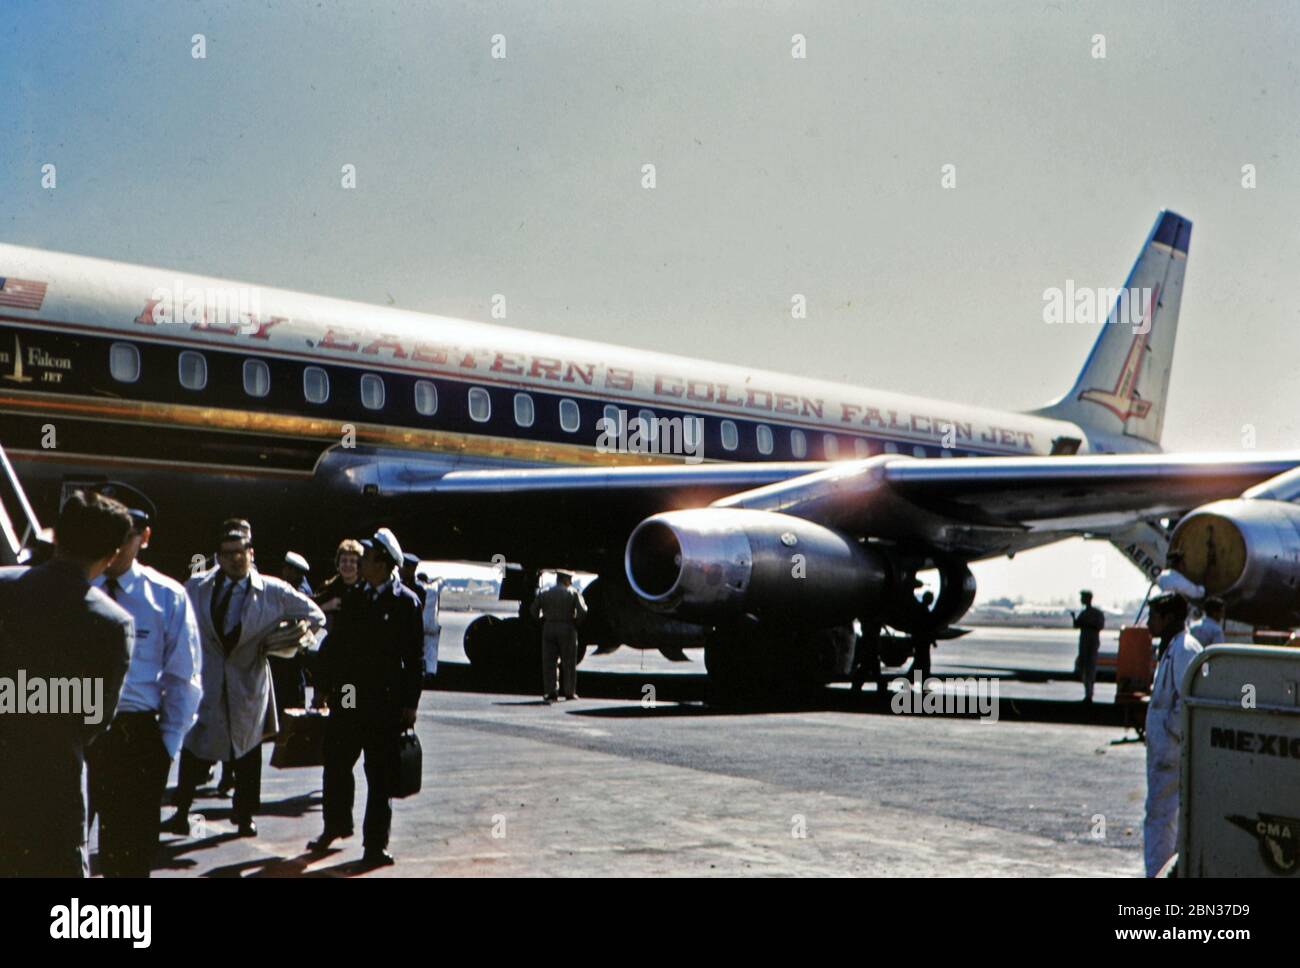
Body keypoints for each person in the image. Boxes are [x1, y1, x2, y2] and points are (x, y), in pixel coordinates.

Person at [0, 490, 134, 876]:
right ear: (111, 556)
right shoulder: (113, 623)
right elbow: (95, 722)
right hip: (53, 789)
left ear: (55, 536)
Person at [164, 523, 324, 838]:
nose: (237, 559)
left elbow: (315, 616)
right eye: (229, 554)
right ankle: (181, 811)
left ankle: (246, 814)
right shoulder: (198, 587)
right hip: (208, 682)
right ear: (218, 557)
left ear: (251, 553)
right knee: (195, 748)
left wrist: (283, 643)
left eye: (242, 552)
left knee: (247, 753)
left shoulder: (274, 591)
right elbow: (174, 622)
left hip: (248, 685)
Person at [86, 485, 202, 877]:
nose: (117, 545)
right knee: (62, 851)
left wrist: (165, 748)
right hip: (75, 729)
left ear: (145, 537)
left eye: (128, 534)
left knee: (130, 859)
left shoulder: (166, 597)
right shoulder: (76, 590)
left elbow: (183, 679)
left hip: (135, 738)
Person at [309, 528, 423, 866]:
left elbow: (414, 659)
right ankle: (335, 825)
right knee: (336, 760)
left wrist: (410, 703)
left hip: (383, 700)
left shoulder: (406, 603)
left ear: (384, 563)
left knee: (379, 773)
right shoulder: (355, 595)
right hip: (348, 693)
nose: (362, 562)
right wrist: (324, 686)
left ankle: (375, 845)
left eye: (369, 557)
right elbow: (336, 644)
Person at [1143, 592, 1202, 877]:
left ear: (1169, 618)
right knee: (1162, 819)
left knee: (1162, 820)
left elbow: (1190, 700)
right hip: (1164, 754)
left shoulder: (1185, 649)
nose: (1148, 623)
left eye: (1153, 617)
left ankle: (1158, 874)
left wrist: (1171, 731)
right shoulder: (1171, 648)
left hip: (1172, 754)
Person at [530, 571, 587, 702]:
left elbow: (533, 610)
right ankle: (569, 692)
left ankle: (551, 692)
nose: (571, 581)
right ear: (565, 579)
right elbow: (583, 611)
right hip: (567, 627)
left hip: (548, 628)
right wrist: (576, 622)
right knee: (569, 662)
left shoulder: (545, 593)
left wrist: (542, 621)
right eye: (570, 578)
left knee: (549, 662)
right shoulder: (573, 593)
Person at [270, 551, 314, 713]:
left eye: (287, 568)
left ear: (294, 571)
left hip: (293, 650)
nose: (284, 571)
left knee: (293, 689)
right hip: (288, 650)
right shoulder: (294, 587)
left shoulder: (301, 591)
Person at [1070, 589, 1106, 704]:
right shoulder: (1085, 613)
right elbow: (1077, 625)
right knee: (1084, 668)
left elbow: (1099, 626)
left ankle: (1089, 694)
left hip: (1091, 643)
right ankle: (1088, 694)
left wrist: (1084, 624)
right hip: (1085, 643)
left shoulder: (1095, 613)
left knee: (1089, 668)